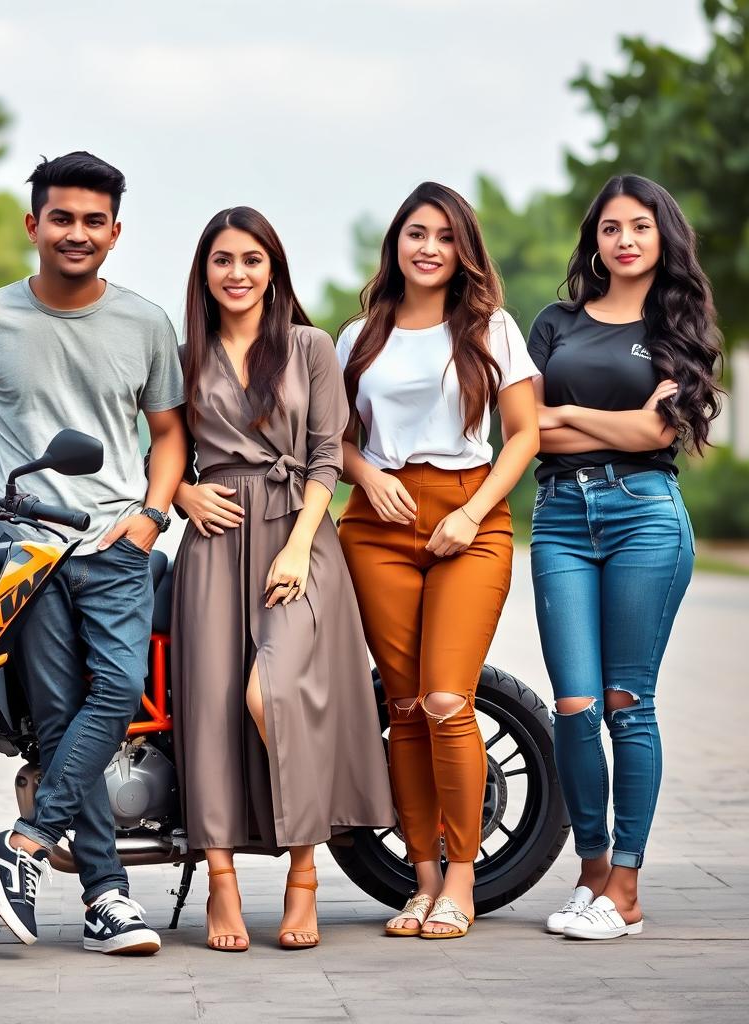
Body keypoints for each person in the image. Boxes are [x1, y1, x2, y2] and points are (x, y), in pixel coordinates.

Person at [0, 151, 187, 954]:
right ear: (33, 224)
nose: (77, 233)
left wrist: (151, 513)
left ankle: (26, 842)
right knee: (64, 719)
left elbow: (170, 434)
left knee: (119, 689)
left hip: (113, 543)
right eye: (62, 218)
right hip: (23, 553)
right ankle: (108, 901)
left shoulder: (144, 323)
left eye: (94, 221)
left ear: (115, 232)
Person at [170, 206, 394, 952]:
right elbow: (163, 453)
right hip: (212, 541)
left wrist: (299, 544)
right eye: (223, 260)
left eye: (252, 260)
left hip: (300, 537)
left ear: (274, 272)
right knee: (210, 714)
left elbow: (328, 455)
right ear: (204, 272)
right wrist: (179, 494)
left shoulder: (309, 346)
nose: (237, 273)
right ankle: (221, 883)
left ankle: (305, 874)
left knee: (276, 695)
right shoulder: (180, 356)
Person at [336, 182, 540, 939]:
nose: (427, 247)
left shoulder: (492, 328)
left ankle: (462, 879)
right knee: (403, 708)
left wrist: (472, 511)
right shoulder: (356, 337)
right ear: (396, 243)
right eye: (415, 233)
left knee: (447, 700)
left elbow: (522, 434)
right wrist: (368, 476)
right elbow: (336, 440)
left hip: (469, 520)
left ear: (463, 251)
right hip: (376, 525)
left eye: (444, 236)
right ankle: (420, 882)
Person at [528, 174, 722, 940]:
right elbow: (525, 431)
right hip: (560, 518)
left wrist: (569, 412)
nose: (626, 240)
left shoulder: (679, 324)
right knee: (573, 707)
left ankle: (628, 889)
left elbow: (656, 436)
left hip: (644, 515)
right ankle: (591, 872)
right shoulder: (556, 322)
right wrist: (600, 421)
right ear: (595, 240)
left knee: (625, 703)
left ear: (662, 236)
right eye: (611, 228)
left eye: (639, 226)